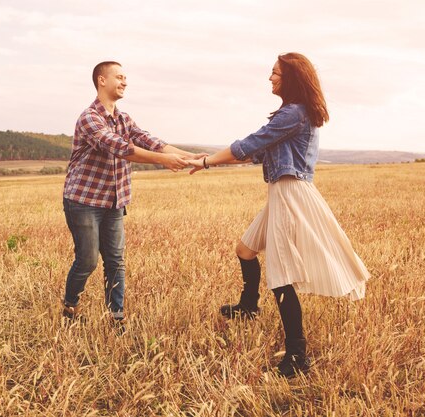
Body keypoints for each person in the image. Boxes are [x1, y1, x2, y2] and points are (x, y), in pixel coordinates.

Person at [187, 53, 370, 378]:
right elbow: (254, 152)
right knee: (244, 249)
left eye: (275, 73)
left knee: (281, 275)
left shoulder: (293, 114)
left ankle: (297, 355)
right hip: (282, 192)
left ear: (292, 78)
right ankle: (248, 307)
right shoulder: (293, 114)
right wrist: (210, 159)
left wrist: (206, 163)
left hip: (290, 194)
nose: (270, 78)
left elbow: (248, 144)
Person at [62, 61, 205, 332]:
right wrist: (163, 160)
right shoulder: (89, 118)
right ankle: (70, 305)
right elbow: (120, 148)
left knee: (116, 260)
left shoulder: (124, 119)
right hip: (83, 201)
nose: (125, 81)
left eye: (126, 77)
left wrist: (190, 156)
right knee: (88, 260)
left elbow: (150, 141)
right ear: (102, 80)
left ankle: (116, 317)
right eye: (119, 76)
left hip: (114, 201)